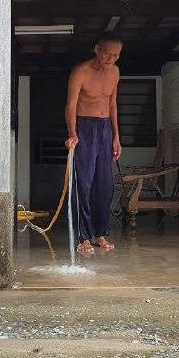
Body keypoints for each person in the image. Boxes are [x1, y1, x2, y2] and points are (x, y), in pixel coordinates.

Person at [64, 31, 122, 255]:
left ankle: (100, 233)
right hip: (84, 128)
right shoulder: (81, 71)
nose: (112, 59)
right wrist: (73, 133)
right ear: (97, 49)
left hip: (105, 128)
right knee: (84, 184)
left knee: (105, 186)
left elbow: (113, 104)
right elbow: (70, 105)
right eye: (108, 54)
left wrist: (116, 136)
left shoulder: (115, 72)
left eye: (116, 56)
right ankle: (83, 237)